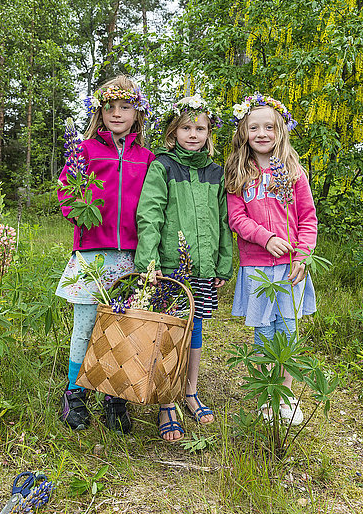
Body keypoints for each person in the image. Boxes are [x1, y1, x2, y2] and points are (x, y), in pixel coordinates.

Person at [56, 74, 155, 433]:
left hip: (129, 255)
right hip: (92, 253)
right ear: (100, 111)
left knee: (121, 327)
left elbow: (152, 207)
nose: (117, 113)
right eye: (110, 106)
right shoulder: (84, 150)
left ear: (137, 112)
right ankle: (74, 394)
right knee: (84, 327)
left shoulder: (147, 158)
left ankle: (115, 398)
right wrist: (77, 211)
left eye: (125, 106)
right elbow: (66, 189)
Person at [134, 94, 233, 442]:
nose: (193, 134)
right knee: (169, 332)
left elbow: (224, 219)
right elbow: (150, 214)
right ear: (173, 132)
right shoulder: (163, 166)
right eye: (186, 127)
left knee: (196, 330)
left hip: (203, 268)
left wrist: (223, 261)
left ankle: (189, 392)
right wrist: (149, 262)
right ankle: (166, 402)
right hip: (171, 267)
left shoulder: (216, 172)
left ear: (209, 133)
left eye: (200, 128)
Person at [225, 93, 317, 425]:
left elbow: (307, 219)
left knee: (288, 331)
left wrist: (302, 256)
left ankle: (287, 397)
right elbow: (237, 219)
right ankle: (268, 396)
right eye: (254, 128)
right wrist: (267, 238)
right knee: (264, 333)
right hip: (257, 266)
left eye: (269, 127)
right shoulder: (238, 172)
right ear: (244, 133)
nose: (262, 134)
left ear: (280, 130)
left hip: (292, 267)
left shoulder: (293, 171)